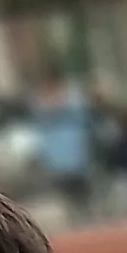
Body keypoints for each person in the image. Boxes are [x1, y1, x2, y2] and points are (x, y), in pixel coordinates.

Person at [34, 80, 99, 223]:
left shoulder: (73, 110)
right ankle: (78, 218)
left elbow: (86, 127)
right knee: (69, 198)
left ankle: (87, 217)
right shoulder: (44, 117)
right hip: (60, 165)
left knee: (83, 195)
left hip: (76, 162)